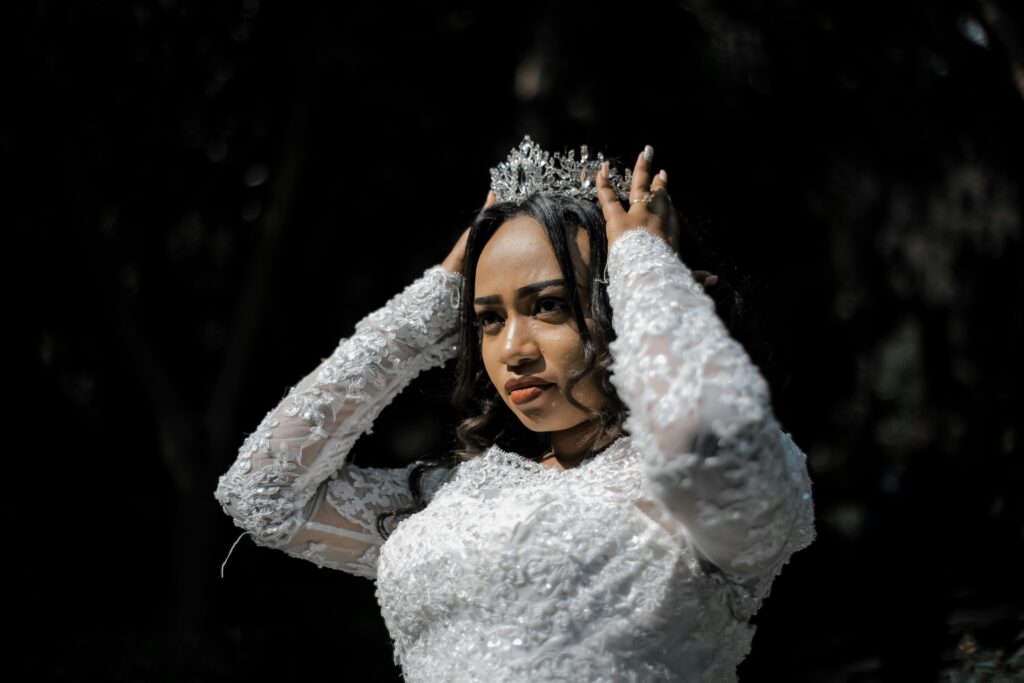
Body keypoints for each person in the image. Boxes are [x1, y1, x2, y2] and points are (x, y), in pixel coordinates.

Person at [213, 135, 817, 682]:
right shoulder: (450, 496)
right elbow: (263, 491)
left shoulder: (703, 489)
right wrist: (434, 299)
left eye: (550, 305)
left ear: (632, 306)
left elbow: (708, 426)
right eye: (488, 319)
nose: (511, 351)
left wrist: (646, 266)